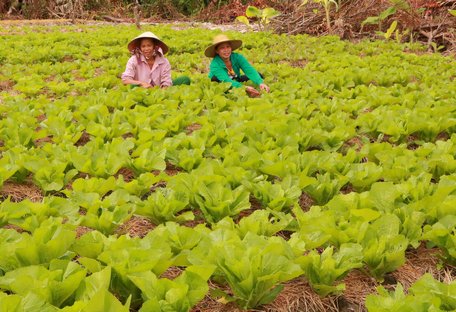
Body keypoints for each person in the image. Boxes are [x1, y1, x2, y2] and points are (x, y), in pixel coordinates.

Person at [205, 34, 270, 97]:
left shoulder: (238, 57)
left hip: (234, 78)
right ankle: (242, 90)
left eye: (228, 47)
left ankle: (249, 88)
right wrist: (243, 87)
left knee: (259, 75)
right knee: (222, 85)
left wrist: (260, 83)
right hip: (221, 82)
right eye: (222, 48)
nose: (226, 50)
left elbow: (249, 70)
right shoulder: (215, 64)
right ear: (217, 51)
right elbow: (225, 80)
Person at [121, 31, 190, 88]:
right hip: (141, 91)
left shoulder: (164, 61)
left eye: (149, 45)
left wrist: (162, 91)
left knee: (185, 79)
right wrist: (142, 83)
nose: (146, 49)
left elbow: (167, 81)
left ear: (154, 46)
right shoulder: (134, 60)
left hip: (159, 91)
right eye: (143, 46)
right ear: (140, 48)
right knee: (133, 86)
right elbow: (125, 80)